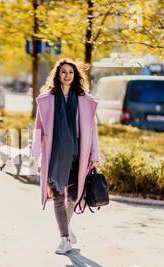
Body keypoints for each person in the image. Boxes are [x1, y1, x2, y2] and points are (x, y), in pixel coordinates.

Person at [31, 58, 100, 255]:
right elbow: (38, 128)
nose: (67, 75)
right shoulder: (47, 100)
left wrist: (94, 153)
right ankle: (64, 238)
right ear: (58, 75)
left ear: (75, 75)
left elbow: (92, 130)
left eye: (70, 72)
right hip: (55, 154)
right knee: (59, 195)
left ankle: (66, 228)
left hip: (79, 152)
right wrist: (37, 155)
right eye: (63, 72)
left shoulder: (84, 101)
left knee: (75, 195)